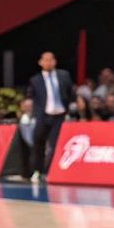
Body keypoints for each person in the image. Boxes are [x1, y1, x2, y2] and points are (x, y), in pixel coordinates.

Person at [27, 51, 73, 181]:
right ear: (40, 62)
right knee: (38, 142)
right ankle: (37, 171)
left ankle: (52, 172)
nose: (49, 62)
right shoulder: (35, 80)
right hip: (43, 115)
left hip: (60, 115)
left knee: (56, 144)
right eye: (46, 60)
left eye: (51, 59)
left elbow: (70, 93)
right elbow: (30, 96)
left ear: (55, 62)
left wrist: (70, 107)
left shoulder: (64, 75)